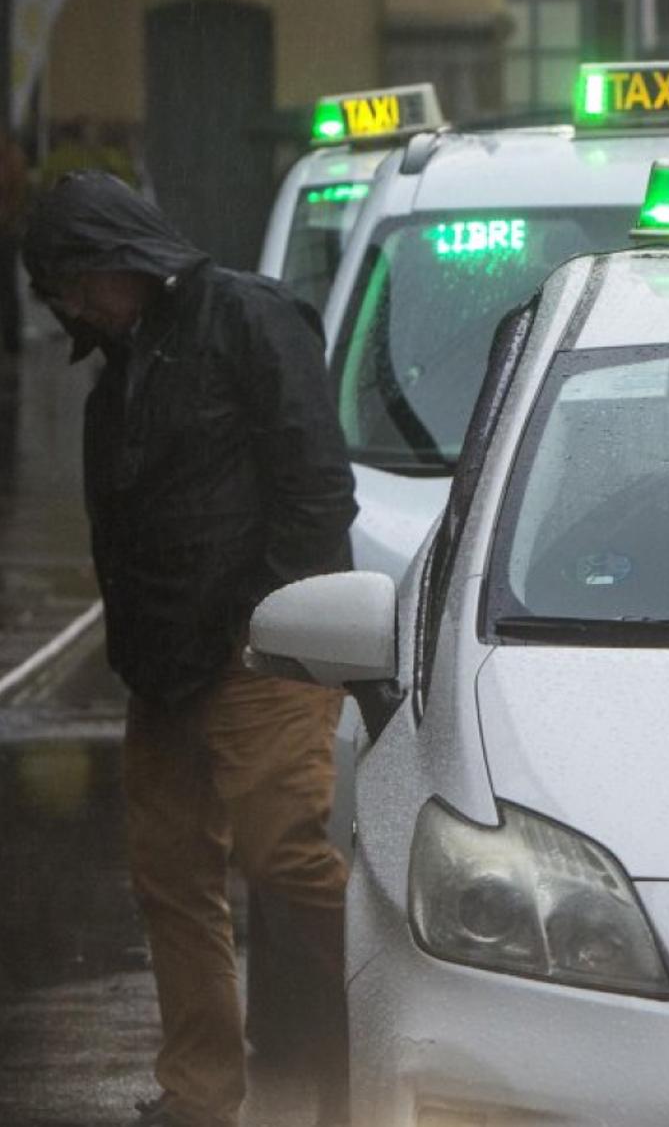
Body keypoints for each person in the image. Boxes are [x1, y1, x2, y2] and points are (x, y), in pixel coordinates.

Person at [22, 171, 357, 1127]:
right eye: (58, 292)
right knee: (171, 880)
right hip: (163, 673)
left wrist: (272, 624)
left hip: (261, 656)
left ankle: (399, 1030)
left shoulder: (249, 319)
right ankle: (199, 1096)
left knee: (286, 858)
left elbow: (317, 488)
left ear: (120, 257)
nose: (72, 307)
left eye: (76, 282)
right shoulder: (125, 368)